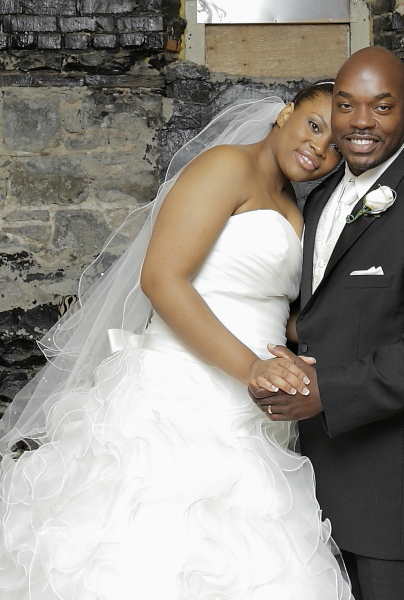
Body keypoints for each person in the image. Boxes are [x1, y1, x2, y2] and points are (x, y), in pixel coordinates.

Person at [0, 85, 353, 599]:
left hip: (254, 410)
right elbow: (162, 279)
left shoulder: (292, 204)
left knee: (246, 558)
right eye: (314, 126)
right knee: (152, 551)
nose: (320, 149)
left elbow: (270, 306)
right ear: (284, 114)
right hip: (181, 395)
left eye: (337, 146)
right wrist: (251, 368)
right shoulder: (226, 166)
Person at [251, 47, 404, 600]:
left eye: (381, 107)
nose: (361, 122)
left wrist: (327, 391)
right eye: (346, 105)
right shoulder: (319, 199)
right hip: (319, 480)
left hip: (400, 491)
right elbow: (330, 311)